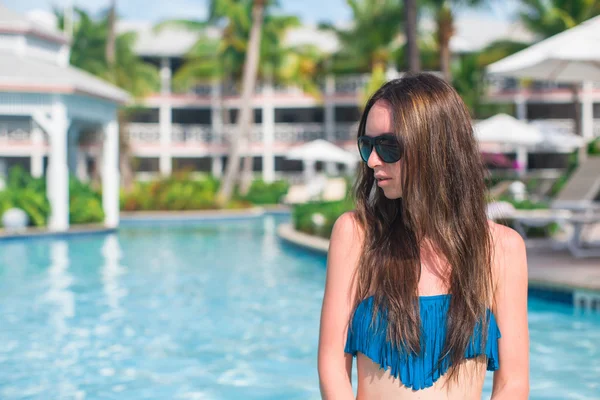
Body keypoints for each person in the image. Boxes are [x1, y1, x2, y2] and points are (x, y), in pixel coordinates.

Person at [317, 73, 529, 399]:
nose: (373, 160)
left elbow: (513, 383)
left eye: (388, 146)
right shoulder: (358, 235)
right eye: (367, 145)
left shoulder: (501, 248)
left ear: (434, 148)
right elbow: (333, 365)